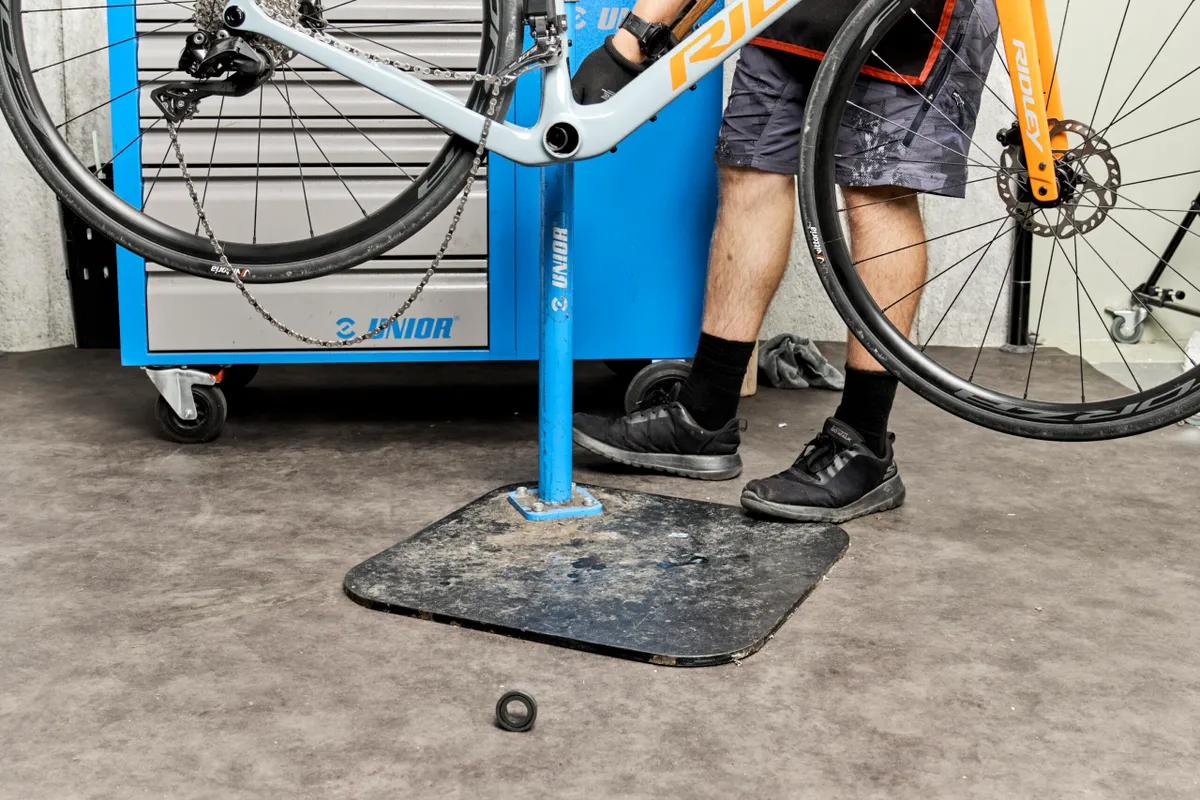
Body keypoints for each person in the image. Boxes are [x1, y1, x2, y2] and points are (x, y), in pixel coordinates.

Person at [570, 0, 998, 523]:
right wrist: (633, 42)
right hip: (793, 11)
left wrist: (633, 37)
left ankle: (864, 442)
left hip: (910, 16)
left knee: (876, 191)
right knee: (750, 170)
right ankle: (705, 414)